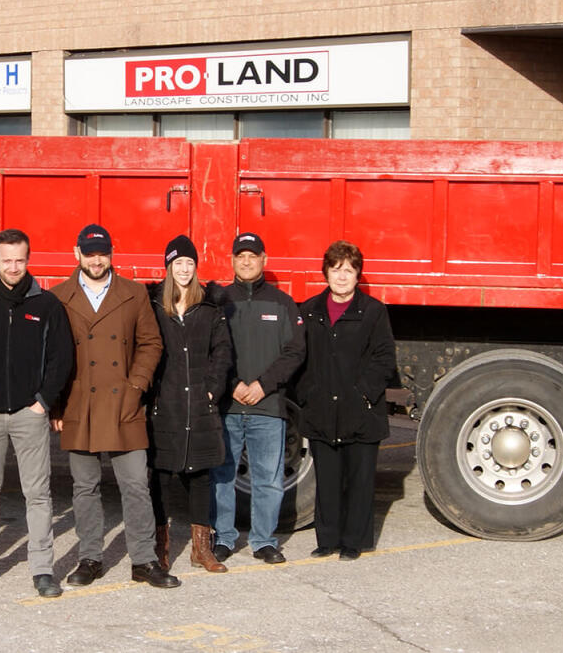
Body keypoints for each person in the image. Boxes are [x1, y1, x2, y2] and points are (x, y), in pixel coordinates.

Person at [49, 224, 175, 589]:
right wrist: (57, 404)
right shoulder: (59, 296)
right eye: (89, 253)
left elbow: (151, 344)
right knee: (84, 487)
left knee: (136, 484)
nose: (96, 259)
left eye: (102, 252)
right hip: (79, 402)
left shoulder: (133, 294)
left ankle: (144, 559)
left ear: (111, 253)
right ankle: (90, 558)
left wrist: (136, 386)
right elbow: (54, 356)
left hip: (125, 404)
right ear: (77, 254)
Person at [0, 229, 73, 599]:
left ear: (28, 258)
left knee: (38, 494)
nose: (13, 267)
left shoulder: (47, 305)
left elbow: (62, 357)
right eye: (6, 260)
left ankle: (42, 569)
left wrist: (43, 401)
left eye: (19, 260)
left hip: (29, 413)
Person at [295, 240, 397, 561]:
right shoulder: (309, 311)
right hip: (322, 409)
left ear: (358, 275)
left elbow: (384, 358)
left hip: (361, 412)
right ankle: (327, 540)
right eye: (336, 269)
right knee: (327, 479)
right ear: (326, 272)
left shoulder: (373, 312)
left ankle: (353, 541)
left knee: (359, 480)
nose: (342, 276)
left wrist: (364, 393)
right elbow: (298, 357)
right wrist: (306, 395)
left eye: (349, 270)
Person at [210, 232, 305, 564]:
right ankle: (223, 537)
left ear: (264, 259)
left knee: (269, 478)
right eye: (240, 256)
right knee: (222, 476)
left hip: (268, 405)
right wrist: (232, 383)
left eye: (253, 255)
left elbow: (295, 351)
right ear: (232, 260)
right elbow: (211, 348)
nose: (246, 261)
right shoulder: (219, 301)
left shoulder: (282, 303)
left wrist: (264, 385)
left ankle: (264, 540)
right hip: (229, 404)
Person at [146, 235, 233, 574]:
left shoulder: (210, 308)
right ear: (168, 267)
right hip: (165, 404)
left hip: (199, 404)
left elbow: (222, 352)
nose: (184, 269)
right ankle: (160, 547)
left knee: (200, 476)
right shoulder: (154, 306)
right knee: (162, 476)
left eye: (189, 263)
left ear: (196, 267)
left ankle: (201, 549)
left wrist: (212, 389)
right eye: (178, 263)